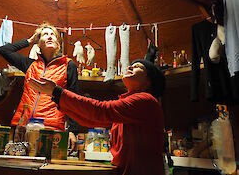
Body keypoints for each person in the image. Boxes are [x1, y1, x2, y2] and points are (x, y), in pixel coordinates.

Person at [28, 58, 165, 175]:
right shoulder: (131, 105)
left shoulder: (145, 100)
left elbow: (100, 110)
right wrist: (56, 96)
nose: (130, 67)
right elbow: (91, 119)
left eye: (137, 67)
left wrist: (57, 92)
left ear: (148, 81)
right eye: (131, 65)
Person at [0, 22, 79, 151]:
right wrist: (29, 41)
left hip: (51, 130)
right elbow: (3, 50)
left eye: (53, 34)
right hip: (22, 128)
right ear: (38, 42)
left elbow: (74, 100)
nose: (50, 36)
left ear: (58, 43)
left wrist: (73, 131)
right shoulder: (30, 65)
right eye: (45, 34)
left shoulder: (69, 66)